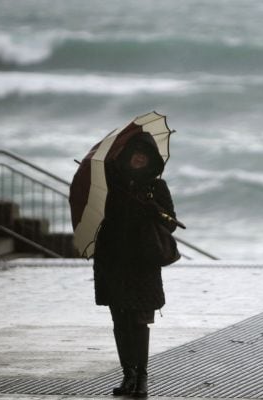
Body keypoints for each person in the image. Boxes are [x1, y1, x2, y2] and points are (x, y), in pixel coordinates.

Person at [93, 132, 177, 398]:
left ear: (151, 159)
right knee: (120, 321)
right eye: (134, 153)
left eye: (144, 154)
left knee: (138, 321)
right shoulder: (112, 185)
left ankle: (141, 377)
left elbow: (171, 224)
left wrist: (154, 209)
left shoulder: (157, 187)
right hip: (113, 261)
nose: (139, 157)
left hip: (142, 265)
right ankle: (127, 374)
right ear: (127, 156)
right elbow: (100, 219)